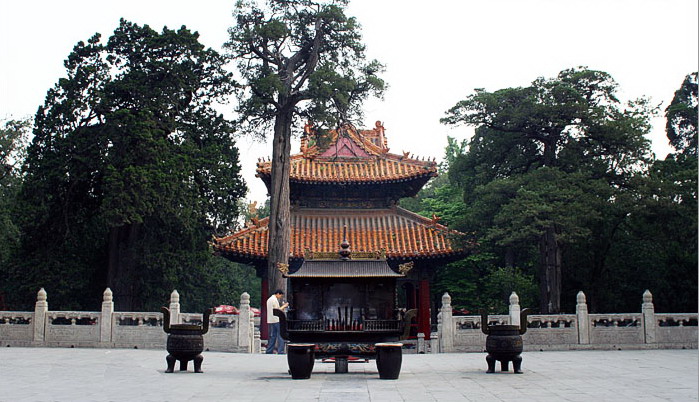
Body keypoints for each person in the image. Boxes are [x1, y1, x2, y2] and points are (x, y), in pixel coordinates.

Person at [266, 289, 288, 354]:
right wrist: (284, 306)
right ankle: (280, 350)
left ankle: (269, 350)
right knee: (281, 335)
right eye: (280, 295)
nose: (280, 297)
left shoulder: (269, 299)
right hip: (277, 319)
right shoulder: (274, 300)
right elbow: (277, 310)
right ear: (278, 293)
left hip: (271, 320)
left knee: (272, 336)